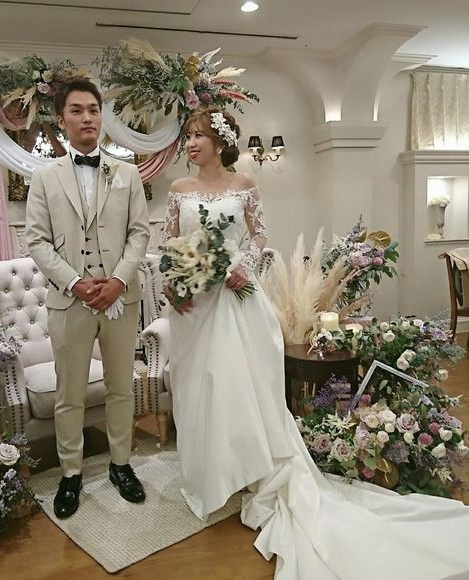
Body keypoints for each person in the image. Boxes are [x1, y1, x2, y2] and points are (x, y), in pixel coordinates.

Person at [163, 105, 469, 579]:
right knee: (198, 387)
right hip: (194, 307)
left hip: (237, 302)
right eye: (188, 136)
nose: (190, 144)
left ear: (220, 142)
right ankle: (208, 472)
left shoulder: (245, 184)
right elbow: (169, 244)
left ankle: (243, 467)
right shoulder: (178, 190)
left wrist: (241, 267)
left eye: (198, 135)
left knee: (236, 385)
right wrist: (173, 283)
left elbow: (259, 237)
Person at [26, 79, 150, 519]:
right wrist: (75, 282)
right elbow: (37, 241)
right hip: (68, 301)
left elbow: (140, 233)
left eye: (93, 110)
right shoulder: (44, 177)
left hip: (121, 299)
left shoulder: (127, 173)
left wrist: (117, 280)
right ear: (61, 120)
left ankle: (121, 465)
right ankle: (71, 473)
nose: (87, 118)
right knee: (70, 394)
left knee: (121, 387)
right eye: (77, 110)